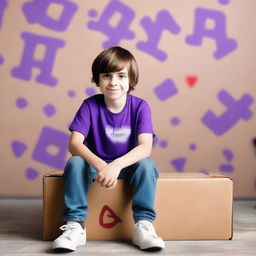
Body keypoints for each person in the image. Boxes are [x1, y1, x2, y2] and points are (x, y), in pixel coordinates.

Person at [52, 46, 165, 252]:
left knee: (147, 166)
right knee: (75, 162)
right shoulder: (89, 105)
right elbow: (74, 143)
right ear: (97, 80)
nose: (113, 82)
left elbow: (145, 147)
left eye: (121, 76)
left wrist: (116, 166)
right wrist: (101, 165)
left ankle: (144, 225)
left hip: (127, 167)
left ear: (131, 80)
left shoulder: (140, 107)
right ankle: (75, 225)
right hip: (97, 167)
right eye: (106, 76)